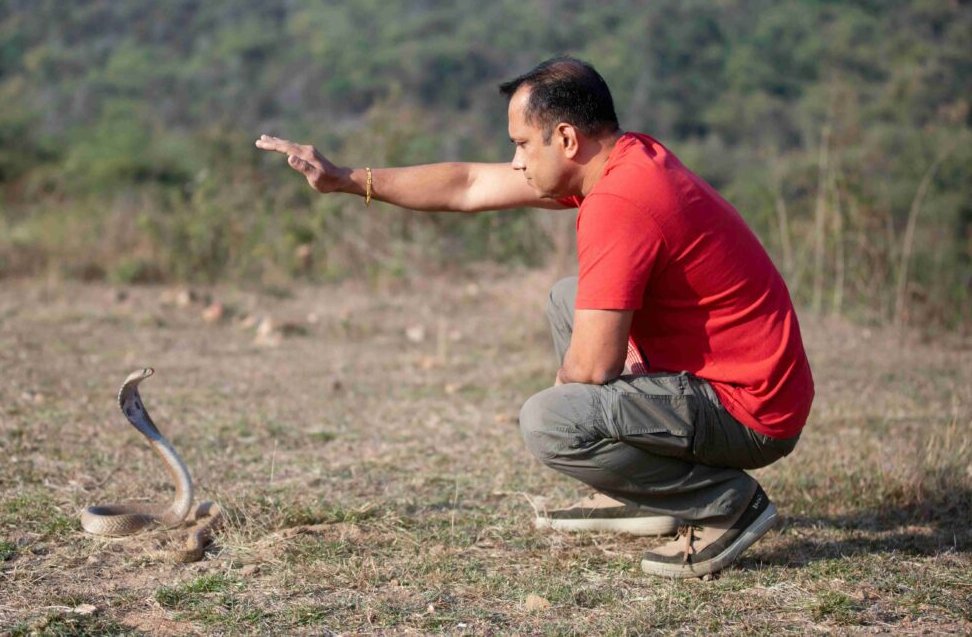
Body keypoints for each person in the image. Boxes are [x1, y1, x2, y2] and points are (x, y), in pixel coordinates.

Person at [255, 56, 814, 578]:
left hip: (750, 411)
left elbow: (592, 368)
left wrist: (575, 400)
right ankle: (645, 492)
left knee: (551, 421)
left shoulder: (622, 203)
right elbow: (469, 184)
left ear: (566, 138)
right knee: (568, 299)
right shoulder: (624, 160)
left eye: (522, 144)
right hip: (740, 385)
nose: (517, 161)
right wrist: (348, 179)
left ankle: (727, 504)